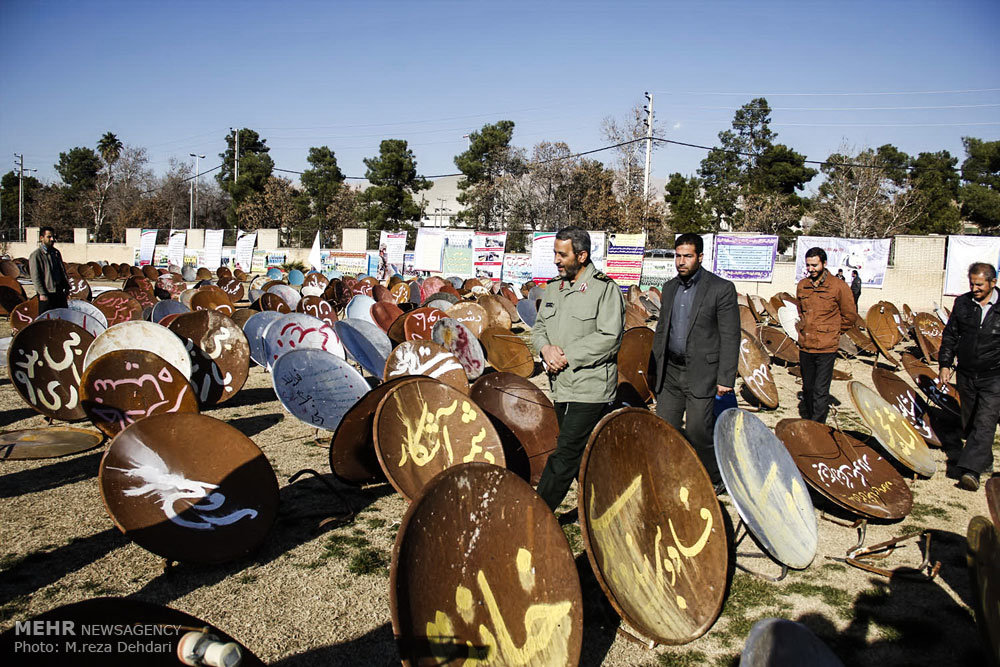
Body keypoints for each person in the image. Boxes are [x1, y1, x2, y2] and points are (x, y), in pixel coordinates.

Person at [532, 226, 624, 511]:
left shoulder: (604, 289)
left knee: (565, 453)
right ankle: (606, 502)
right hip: (561, 386)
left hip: (591, 387)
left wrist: (567, 356)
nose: (556, 260)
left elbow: (609, 338)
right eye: (555, 254)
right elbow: (539, 328)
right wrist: (545, 349)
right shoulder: (554, 288)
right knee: (583, 453)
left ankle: (535, 515)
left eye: (563, 254)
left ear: (582, 256)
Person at [651, 233, 740, 486]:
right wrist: (654, 368)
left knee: (698, 431)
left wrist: (726, 378)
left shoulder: (720, 289)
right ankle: (671, 473)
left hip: (701, 373)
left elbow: (730, 336)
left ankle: (713, 477)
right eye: (677, 256)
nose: (681, 261)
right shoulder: (669, 288)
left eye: (687, 256)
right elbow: (662, 330)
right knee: (665, 427)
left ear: (700, 257)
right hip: (670, 372)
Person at [938, 262, 1000, 491]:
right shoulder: (963, 303)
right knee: (971, 419)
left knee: (986, 419)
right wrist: (945, 364)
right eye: (972, 283)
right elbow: (951, 335)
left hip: (994, 375)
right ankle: (984, 460)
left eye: (980, 284)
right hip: (966, 373)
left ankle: (970, 472)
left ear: (993, 283)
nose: (974, 288)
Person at [796, 247, 858, 423]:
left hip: (826, 347)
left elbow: (850, 316)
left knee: (820, 389)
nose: (811, 269)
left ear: (824, 263)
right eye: (808, 265)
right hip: (806, 345)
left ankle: (818, 425)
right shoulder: (803, 285)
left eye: (814, 265)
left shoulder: (838, 287)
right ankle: (809, 419)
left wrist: (833, 332)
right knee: (807, 387)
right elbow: (801, 311)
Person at [29, 226, 69, 314]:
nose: (52, 239)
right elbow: (35, 277)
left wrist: (66, 287)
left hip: (59, 292)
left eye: (53, 237)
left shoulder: (56, 253)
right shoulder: (36, 255)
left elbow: (62, 271)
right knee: (46, 321)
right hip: (47, 293)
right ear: (41, 238)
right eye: (49, 237)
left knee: (63, 317)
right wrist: (42, 293)